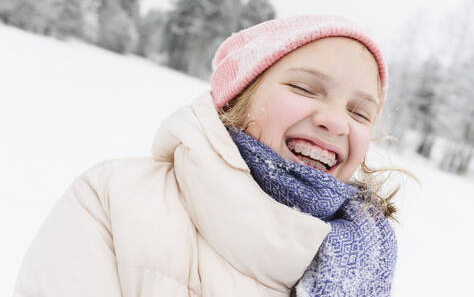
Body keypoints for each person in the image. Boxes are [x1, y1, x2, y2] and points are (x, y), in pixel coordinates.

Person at [14, 15, 401, 297]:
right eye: (304, 87)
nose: (335, 122)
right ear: (237, 97)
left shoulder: (367, 261)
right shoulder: (114, 201)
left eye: (359, 112)